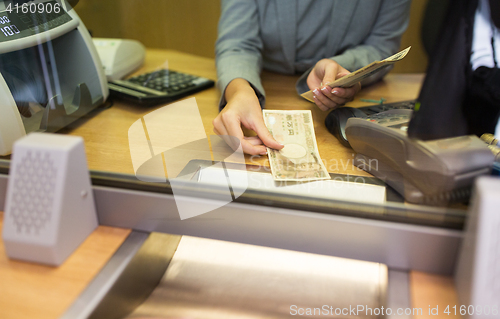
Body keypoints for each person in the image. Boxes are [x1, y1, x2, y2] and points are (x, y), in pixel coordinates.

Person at [213, 0, 412, 155]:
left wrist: (343, 70)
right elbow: (237, 44)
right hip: (267, 84)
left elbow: (381, 46)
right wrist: (239, 90)